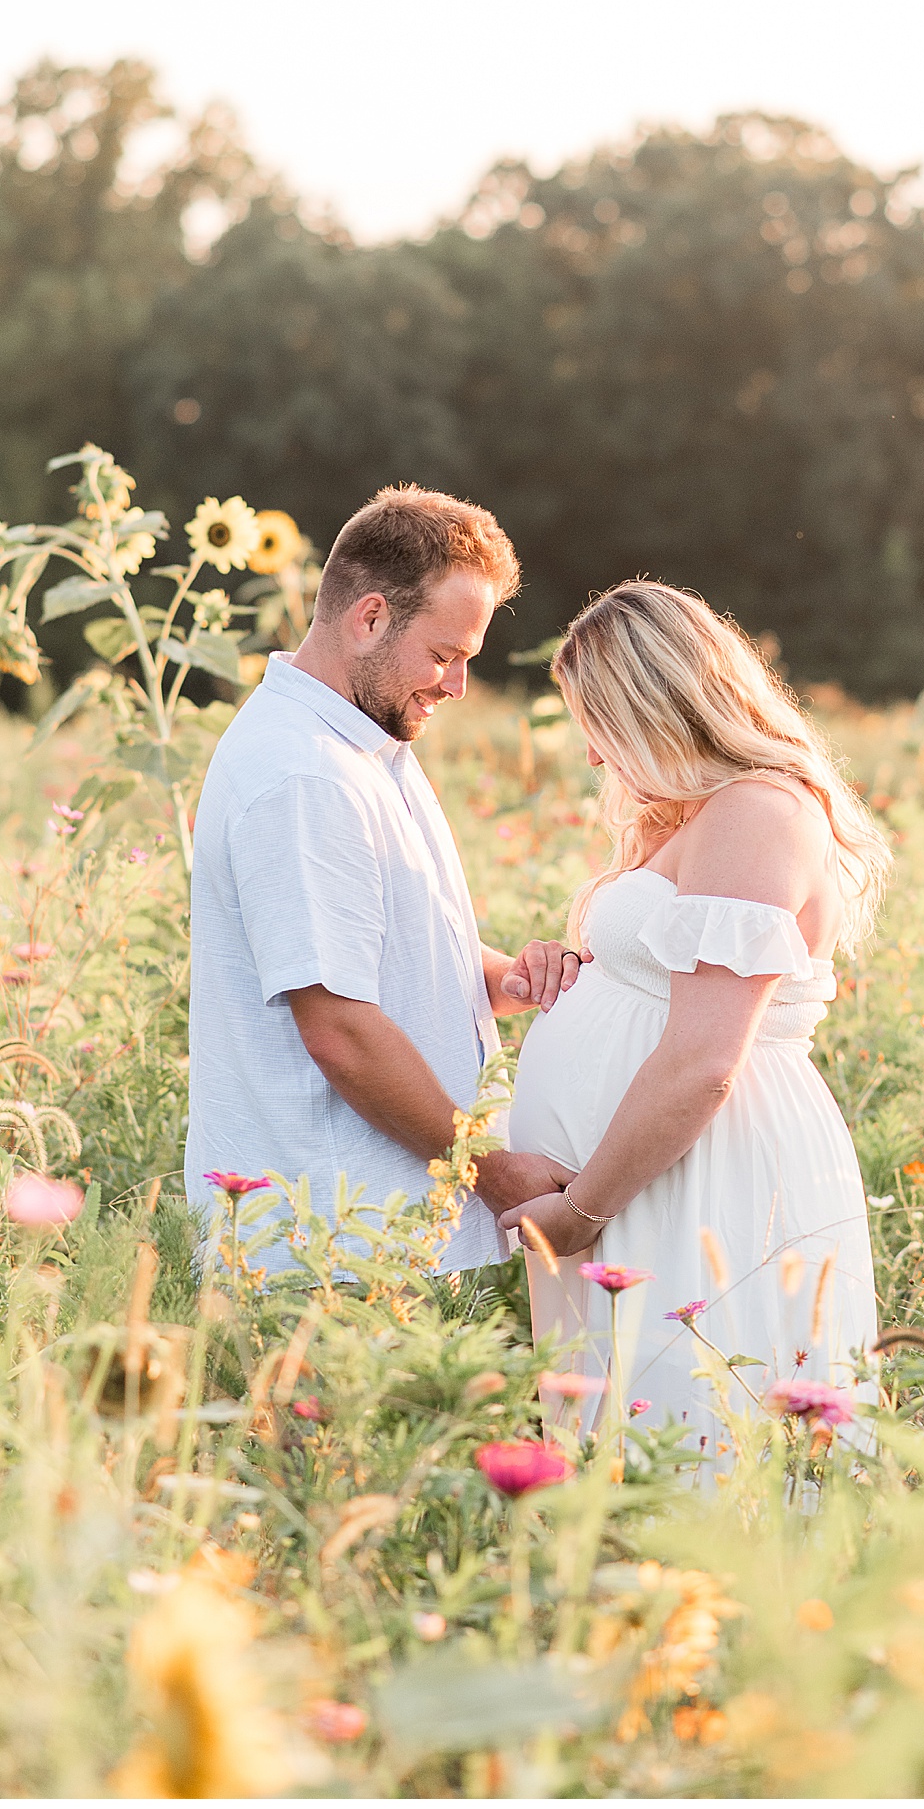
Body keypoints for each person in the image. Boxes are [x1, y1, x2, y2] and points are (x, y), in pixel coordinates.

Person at [501, 581, 892, 1447]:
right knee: (622, 1441)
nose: (596, 760)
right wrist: (575, 971)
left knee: (690, 1429)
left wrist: (585, 1210)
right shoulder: (702, 817)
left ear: (652, 707)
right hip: (639, 1173)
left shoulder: (759, 811)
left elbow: (706, 1059)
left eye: (597, 727)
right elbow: (664, 989)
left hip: (694, 1176)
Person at [185, 484, 580, 1271]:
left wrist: (510, 980)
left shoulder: (363, 746)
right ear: (369, 618)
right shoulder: (304, 776)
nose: (457, 687)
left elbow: (379, 955)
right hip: (329, 1252)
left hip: (375, 1241)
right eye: (444, 656)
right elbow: (340, 1030)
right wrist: (491, 1174)